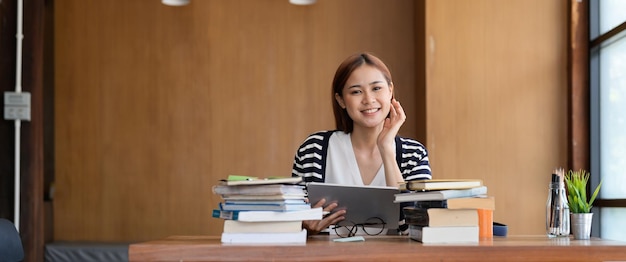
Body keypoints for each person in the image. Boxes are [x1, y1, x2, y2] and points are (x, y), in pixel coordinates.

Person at [291, 52, 432, 235]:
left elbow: (413, 228)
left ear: (390, 91)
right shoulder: (314, 150)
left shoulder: (414, 154)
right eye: (356, 91)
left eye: (376, 88)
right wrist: (304, 227)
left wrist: (387, 149)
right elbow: (290, 221)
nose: (368, 99)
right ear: (341, 100)